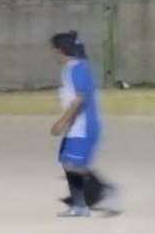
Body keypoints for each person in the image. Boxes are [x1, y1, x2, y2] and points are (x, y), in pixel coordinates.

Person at [50, 31, 118, 217]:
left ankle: (84, 203)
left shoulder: (76, 68)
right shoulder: (73, 68)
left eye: (55, 50)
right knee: (70, 162)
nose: (54, 54)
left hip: (82, 126)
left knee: (71, 164)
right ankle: (98, 192)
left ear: (61, 51)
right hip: (77, 126)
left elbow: (79, 98)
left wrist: (61, 122)